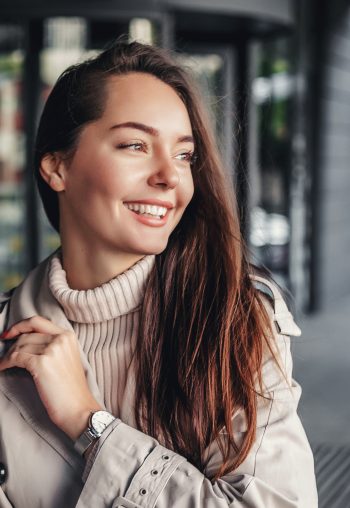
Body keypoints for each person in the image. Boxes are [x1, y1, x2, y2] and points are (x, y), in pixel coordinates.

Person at [0, 38, 317, 507]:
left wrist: (91, 425)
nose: (170, 176)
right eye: (135, 145)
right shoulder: (8, 338)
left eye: (185, 155)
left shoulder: (233, 319)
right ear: (57, 166)